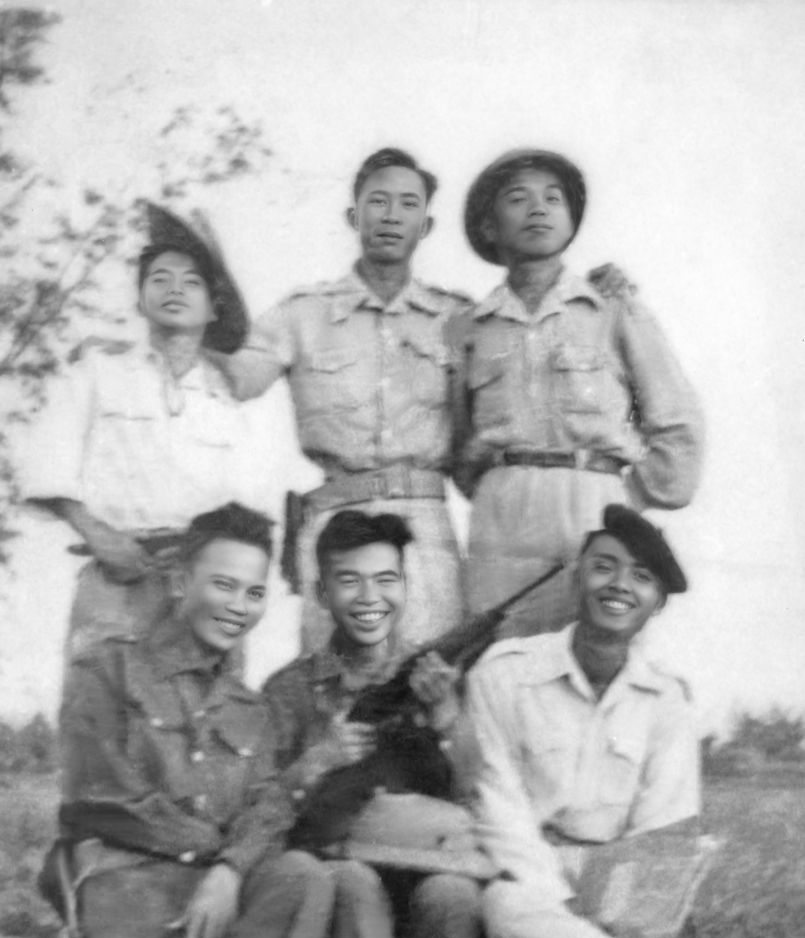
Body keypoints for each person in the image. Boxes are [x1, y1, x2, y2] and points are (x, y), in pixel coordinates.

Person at [465, 504, 792, 938]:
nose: (619, 585)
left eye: (641, 577)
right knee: (504, 907)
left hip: (614, 896)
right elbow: (498, 808)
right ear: (577, 576)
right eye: (605, 566)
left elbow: (663, 837)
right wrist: (565, 904)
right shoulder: (505, 673)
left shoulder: (666, 702)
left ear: (656, 603)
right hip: (533, 885)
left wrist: (631, 921)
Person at [212, 146, 630, 650]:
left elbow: (525, 354)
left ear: (426, 225)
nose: (392, 216)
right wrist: (195, 310)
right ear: (353, 216)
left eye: (408, 204)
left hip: (425, 527)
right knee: (330, 670)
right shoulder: (302, 314)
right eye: (378, 202)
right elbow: (236, 379)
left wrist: (592, 287)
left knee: (432, 670)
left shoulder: (458, 319)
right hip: (335, 519)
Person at [40, 503, 335, 938]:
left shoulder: (251, 710)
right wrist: (213, 855)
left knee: (303, 878)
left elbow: (267, 804)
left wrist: (230, 871)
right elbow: (101, 794)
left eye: (254, 592)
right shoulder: (108, 670)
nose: (239, 606)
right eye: (223, 584)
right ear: (179, 582)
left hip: (205, 895)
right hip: (123, 883)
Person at [262, 509, 489, 938]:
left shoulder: (437, 675)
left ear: (406, 587)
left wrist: (446, 718)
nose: (370, 598)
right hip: (341, 877)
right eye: (349, 581)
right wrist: (317, 760)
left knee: (454, 897)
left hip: (431, 868)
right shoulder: (290, 690)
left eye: (387, 580)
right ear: (320, 592)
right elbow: (255, 807)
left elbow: (483, 794)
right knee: (351, 882)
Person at [459, 149, 706, 636]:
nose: (538, 209)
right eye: (518, 198)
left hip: (592, 503)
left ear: (571, 221)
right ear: (489, 227)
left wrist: (624, 497)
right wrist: (498, 486)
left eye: (554, 199)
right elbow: (457, 442)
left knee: (592, 648)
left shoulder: (612, 309)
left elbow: (678, 423)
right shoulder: (469, 326)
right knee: (494, 654)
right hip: (501, 517)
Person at [20, 203, 256, 662]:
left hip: (207, 583)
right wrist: (98, 536)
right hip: (117, 574)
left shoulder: (227, 400)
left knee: (208, 703)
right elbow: (48, 462)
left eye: (192, 282)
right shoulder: (97, 371)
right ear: (139, 300)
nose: (175, 290)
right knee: (101, 698)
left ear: (214, 308)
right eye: (160, 279)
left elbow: (249, 505)